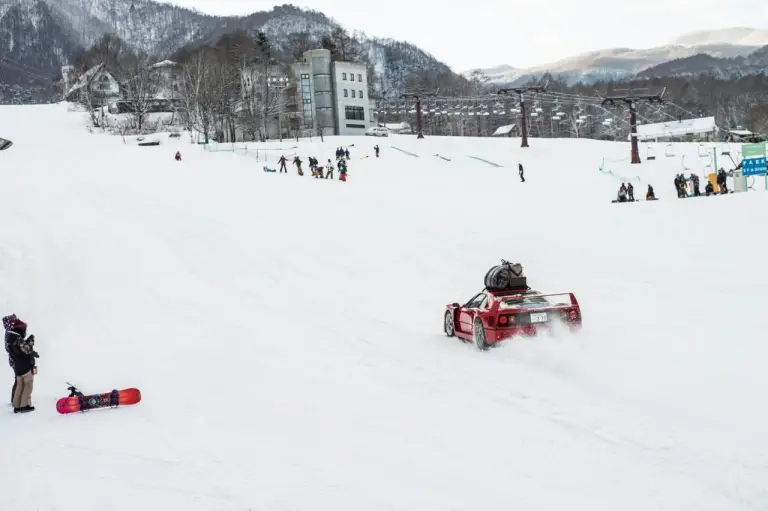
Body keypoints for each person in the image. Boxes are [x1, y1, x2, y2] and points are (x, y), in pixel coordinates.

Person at [3, 314, 38, 413]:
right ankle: (24, 406)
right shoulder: (17, 337)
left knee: (19, 385)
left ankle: (16, 406)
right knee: (28, 385)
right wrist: (30, 341)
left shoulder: (9, 337)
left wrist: (26, 342)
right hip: (25, 366)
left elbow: (18, 349)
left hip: (17, 366)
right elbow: (26, 350)